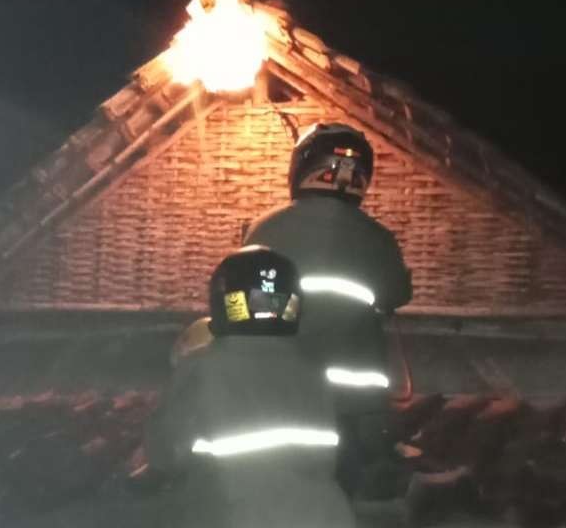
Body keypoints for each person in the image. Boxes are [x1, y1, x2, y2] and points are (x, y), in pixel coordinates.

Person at [243, 123, 412, 493]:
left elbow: (245, 305)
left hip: (280, 392)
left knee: (280, 491)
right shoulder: (378, 238)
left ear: (302, 167)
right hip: (354, 405)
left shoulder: (264, 228)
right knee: (347, 492)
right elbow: (397, 294)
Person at [143, 246, 355, 528]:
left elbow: (164, 453)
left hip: (234, 518)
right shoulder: (314, 370)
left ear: (224, 303)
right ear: (292, 304)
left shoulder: (202, 367)